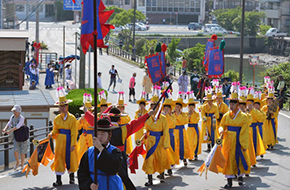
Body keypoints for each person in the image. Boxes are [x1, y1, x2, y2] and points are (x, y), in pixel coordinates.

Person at [84, 106, 154, 190]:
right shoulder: (124, 129)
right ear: (120, 119)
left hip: (104, 154)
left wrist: (86, 112)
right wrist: (147, 115)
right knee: (123, 178)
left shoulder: (103, 128)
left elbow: (93, 121)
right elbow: (136, 123)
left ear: (109, 118)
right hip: (119, 156)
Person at [77, 118, 123, 190]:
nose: (100, 137)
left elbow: (113, 168)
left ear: (109, 135)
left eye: (103, 134)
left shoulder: (115, 151)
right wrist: (89, 184)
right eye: (97, 134)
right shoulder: (89, 152)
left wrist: (100, 148)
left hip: (111, 186)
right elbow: (82, 173)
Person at [219, 90, 250, 188]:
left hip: (238, 140)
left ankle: (240, 177)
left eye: (233, 104)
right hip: (228, 140)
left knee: (240, 158)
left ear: (237, 105)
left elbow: (245, 131)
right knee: (228, 159)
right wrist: (220, 131)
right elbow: (222, 126)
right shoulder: (226, 115)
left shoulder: (244, 117)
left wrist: (244, 144)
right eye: (230, 104)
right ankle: (229, 181)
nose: (231, 106)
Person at [48, 87, 78, 186]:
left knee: (71, 158)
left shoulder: (72, 118)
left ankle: (72, 178)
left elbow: (74, 132)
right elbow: (56, 129)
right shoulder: (57, 118)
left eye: (64, 106)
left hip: (69, 139)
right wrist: (52, 133)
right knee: (58, 158)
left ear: (67, 106)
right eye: (61, 106)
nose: (62, 108)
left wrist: (73, 144)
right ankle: (58, 179)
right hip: (60, 141)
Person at [142, 95, 171, 186]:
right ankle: (150, 179)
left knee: (161, 158)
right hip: (150, 141)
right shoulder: (148, 117)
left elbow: (166, 131)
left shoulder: (163, 118)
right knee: (149, 159)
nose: (154, 107)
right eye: (152, 105)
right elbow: (145, 128)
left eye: (156, 105)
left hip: (160, 140)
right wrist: (144, 133)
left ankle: (161, 174)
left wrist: (166, 143)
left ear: (159, 107)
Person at [2, 105, 27, 170]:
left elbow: (17, 127)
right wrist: (5, 129)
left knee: (22, 151)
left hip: (23, 135)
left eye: (15, 111)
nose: (14, 112)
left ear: (18, 111)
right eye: (13, 111)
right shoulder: (12, 117)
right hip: (16, 135)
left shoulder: (21, 118)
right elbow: (9, 123)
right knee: (15, 150)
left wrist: (9, 131)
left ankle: (22, 164)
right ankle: (18, 162)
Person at [247, 90, 266, 166]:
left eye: (251, 103)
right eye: (248, 102)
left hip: (254, 129)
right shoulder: (243, 111)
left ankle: (253, 159)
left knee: (254, 144)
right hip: (246, 130)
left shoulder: (255, 111)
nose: (249, 104)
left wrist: (252, 111)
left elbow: (261, 118)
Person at [76, 94, 95, 163]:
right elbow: (77, 127)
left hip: (92, 137)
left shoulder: (93, 117)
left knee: (92, 153)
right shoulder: (83, 118)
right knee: (81, 151)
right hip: (84, 136)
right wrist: (81, 120)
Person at [200, 87, 219, 152]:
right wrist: (204, 118)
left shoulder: (215, 106)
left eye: (210, 100)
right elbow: (202, 113)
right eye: (208, 100)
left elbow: (217, 113)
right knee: (207, 132)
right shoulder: (204, 106)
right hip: (207, 120)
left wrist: (215, 115)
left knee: (213, 131)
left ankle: (213, 144)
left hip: (213, 119)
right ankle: (208, 146)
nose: (209, 102)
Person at [173, 94, 190, 166]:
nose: (177, 108)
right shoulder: (172, 114)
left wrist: (178, 114)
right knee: (174, 145)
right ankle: (173, 160)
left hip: (182, 131)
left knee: (183, 145)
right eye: (176, 106)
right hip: (174, 131)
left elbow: (185, 121)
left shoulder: (183, 114)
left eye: (179, 107)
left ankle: (184, 158)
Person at [187, 91, 201, 160]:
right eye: (190, 106)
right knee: (189, 142)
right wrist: (189, 116)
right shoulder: (187, 114)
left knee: (196, 141)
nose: (191, 107)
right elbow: (186, 120)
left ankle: (195, 154)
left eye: (193, 106)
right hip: (190, 129)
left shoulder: (196, 114)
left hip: (195, 128)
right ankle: (190, 155)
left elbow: (197, 120)